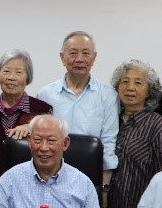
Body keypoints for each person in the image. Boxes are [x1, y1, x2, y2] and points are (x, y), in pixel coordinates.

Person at [36, 30, 118, 191]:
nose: (79, 59)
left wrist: (104, 187)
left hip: (91, 175)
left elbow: (109, 142)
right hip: (51, 174)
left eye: (86, 53)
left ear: (94, 58)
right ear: (62, 57)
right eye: (73, 53)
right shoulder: (45, 94)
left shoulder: (108, 95)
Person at [107, 60, 162, 208]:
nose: (130, 88)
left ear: (149, 90)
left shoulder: (159, 126)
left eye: (138, 82)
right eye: (124, 81)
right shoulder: (108, 119)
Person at [0, 49, 53, 200]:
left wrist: (34, 127)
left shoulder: (43, 110)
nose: (11, 77)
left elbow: (52, 148)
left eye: (19, 72)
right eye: (6, 71)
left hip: (30, 194)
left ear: (27, 78)